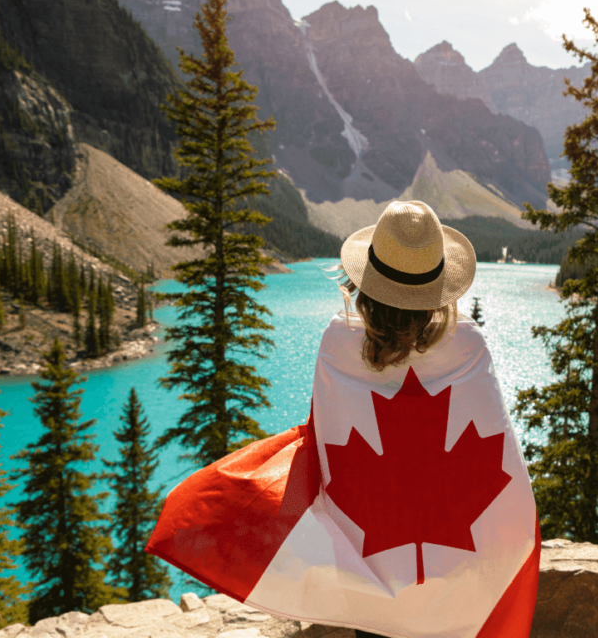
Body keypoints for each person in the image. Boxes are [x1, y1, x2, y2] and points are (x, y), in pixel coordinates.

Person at [147, 201, 539, 638]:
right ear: (439, 288)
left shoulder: (339, 341)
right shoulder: (468, 345)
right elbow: (503, 459)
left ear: (365, 283)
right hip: (457, 584)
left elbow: (324, 439)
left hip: (371, 575)